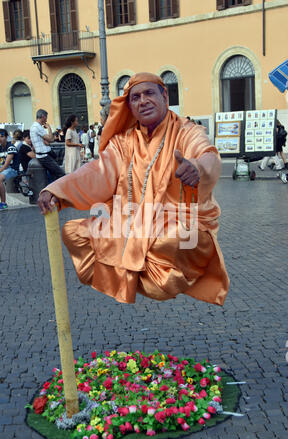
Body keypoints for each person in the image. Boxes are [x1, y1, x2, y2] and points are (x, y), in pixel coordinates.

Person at [38, 72, 229, 306]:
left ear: (164, 95)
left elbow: (207, 154)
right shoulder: (124, 142)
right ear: (129, 105)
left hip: (174, 222)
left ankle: (134, 271)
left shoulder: (186, 131)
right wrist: (56, 191)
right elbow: (98, 171)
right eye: (135, 97)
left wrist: (198, 168)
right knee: (73, 233)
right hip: (129, 221)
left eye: (149, 93)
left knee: (177, 238)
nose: (142, 101)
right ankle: (132, 273)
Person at [30, 109, 65, 181]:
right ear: (43, 116)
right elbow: (51, 139)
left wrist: (47, 141)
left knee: (54, 175)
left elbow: (46, 141)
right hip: (44, 156)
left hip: (45, 155)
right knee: (60, 174)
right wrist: (49, 127)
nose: (46, 120)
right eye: (46, 117)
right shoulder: (37, 127)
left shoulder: (35, 126)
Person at [0, 129, 20, 210]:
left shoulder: (11, 147)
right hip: (3, 169)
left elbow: (6, 164)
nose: (0, 138)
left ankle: (3, 203)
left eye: (2, 136)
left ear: (6, 137)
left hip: (12, 169)